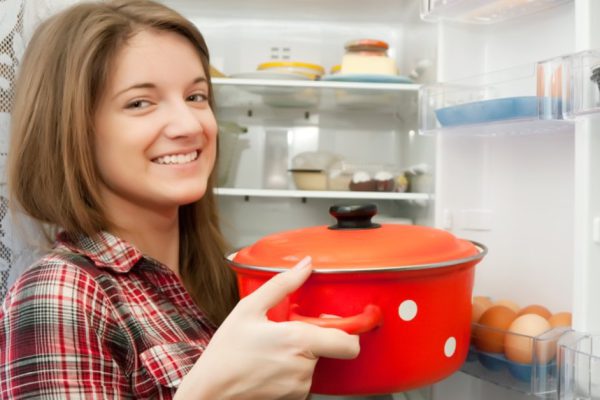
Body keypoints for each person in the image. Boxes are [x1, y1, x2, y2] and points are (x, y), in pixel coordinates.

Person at [0, 1, 360, 398]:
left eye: (196, 97)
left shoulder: (220, 278)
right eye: (140, 103)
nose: (191, 125)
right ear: (71, 131)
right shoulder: (62, 291)